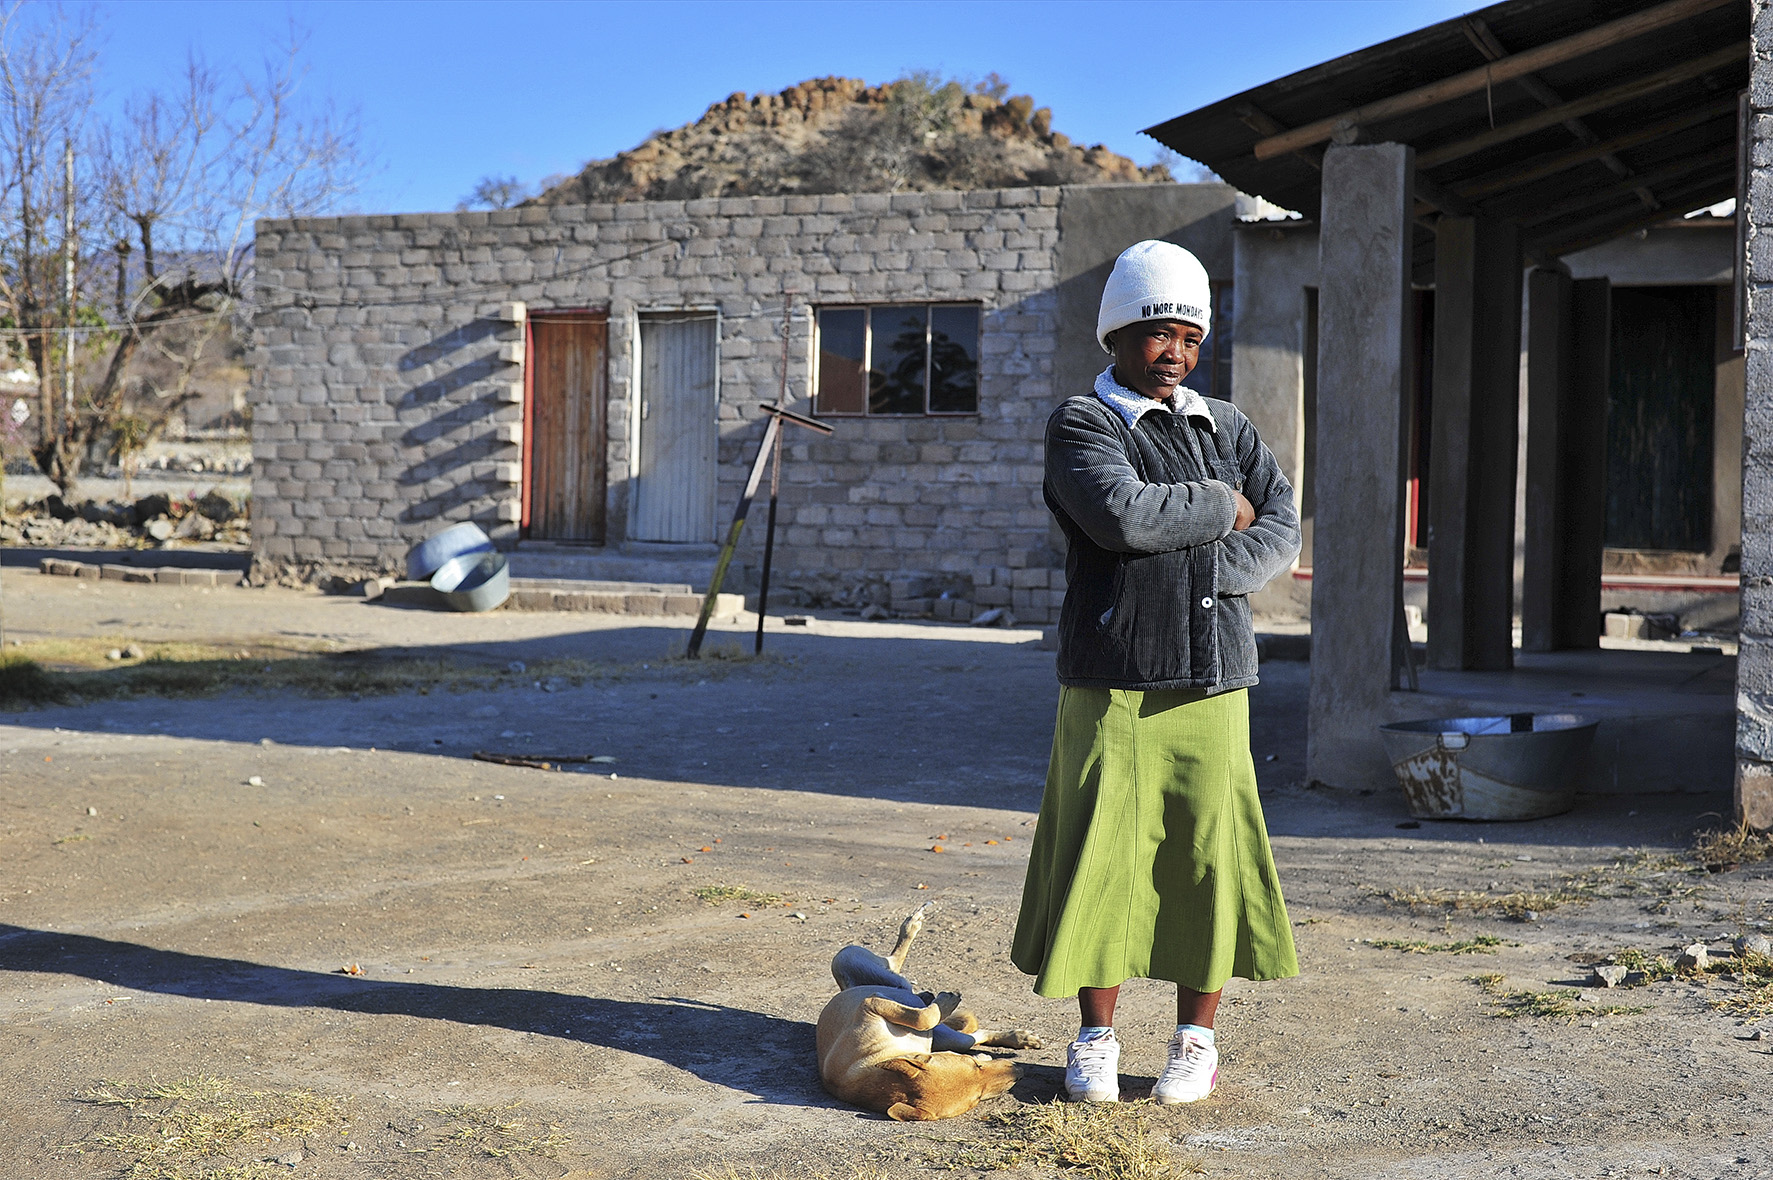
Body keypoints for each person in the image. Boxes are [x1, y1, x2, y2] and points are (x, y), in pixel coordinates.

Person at [1011, 239, 1301, 1105]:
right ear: (1113, 338)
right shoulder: (1083, 422)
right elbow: (1120, 516)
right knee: (1102, 856)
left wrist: (1202, 566)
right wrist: (1221, 505)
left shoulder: (1228, 425)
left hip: (1213, 679)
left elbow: (1281, 528)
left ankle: (1193, 1040)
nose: (1171, 353)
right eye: (1152, 335)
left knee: (1202, 861)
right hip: (1111, 676)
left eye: (1186, 336)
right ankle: (1095, 1037)